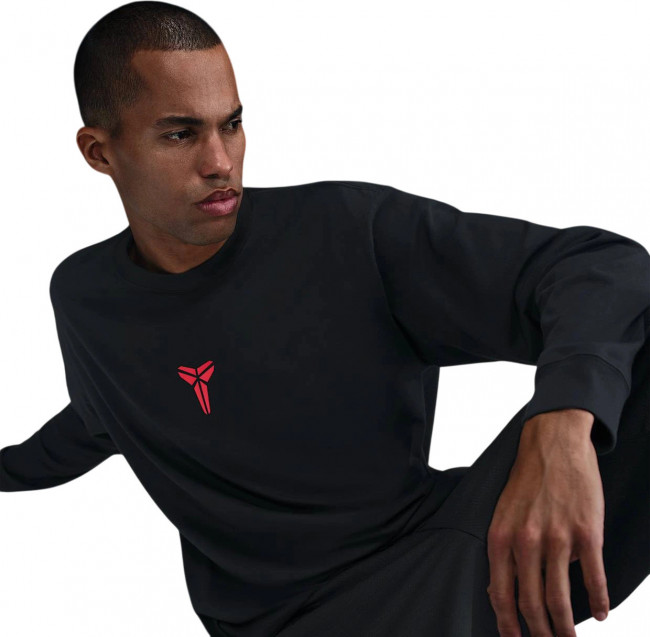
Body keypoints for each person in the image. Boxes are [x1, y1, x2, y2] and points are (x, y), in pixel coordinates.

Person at [1, 2, 648, 636]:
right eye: (181, 133)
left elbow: (599, 268)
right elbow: (99, 419)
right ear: (99, 151)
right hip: (278, 619)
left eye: (232, 124)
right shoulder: (84, 297)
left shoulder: (347, 232)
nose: (220, 161)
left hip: (439, 564)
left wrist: (562, 421)